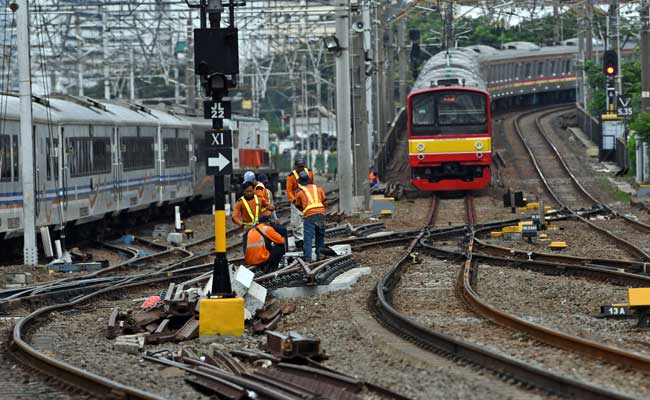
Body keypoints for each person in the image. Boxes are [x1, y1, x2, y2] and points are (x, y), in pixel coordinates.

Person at [293, 171, 327, 261]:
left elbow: (297, 205)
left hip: (309, 215)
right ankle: (320, 254)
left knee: (308, 237)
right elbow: (325, 201)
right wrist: (321, 211)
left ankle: (308, 257)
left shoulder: (299, 192)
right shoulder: (318, 189)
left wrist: (304, 210)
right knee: (320, 235)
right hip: (321, 213)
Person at [286, 155, 314, 249]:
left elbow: (313, 185)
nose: (301, 168)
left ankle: (307, 241)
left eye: (302, 166)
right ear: (295, 167)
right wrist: (294, 201)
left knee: (309, 221)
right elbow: (289, 191)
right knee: (296, 223)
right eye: (299, 167)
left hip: (308, 201)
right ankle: (299, 242)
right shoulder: (291, 176)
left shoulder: (309, 173)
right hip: (296, 203)